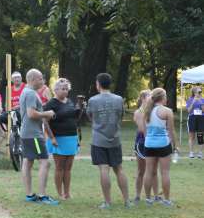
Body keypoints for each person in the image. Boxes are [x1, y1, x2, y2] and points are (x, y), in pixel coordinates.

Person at [86, 73, 131, 209]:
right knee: (119, 169)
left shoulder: (93, 100)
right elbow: (121, 116)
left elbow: (90, 117)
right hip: (115, 139)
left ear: (98, 84)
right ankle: (127, 201)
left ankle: (107, 202)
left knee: (104, 169)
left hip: (99, 140)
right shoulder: (119, 99)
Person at [20, 69, 58, 205]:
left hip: (27, 133)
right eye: (41, 78)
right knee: (45, 162)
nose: (43, 81)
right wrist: (47, 113)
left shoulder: (27, 92)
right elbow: (31, 114)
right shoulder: (30, 93)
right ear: (33, 79)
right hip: (33, 135)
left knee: (27, 162)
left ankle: (30, 195)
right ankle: (42, 196)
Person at [43, 78, 82, 200]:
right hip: (58, 138)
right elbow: (45, 122)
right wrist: (52, 138)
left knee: (68, 168)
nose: (65, 91)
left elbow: (75, 118)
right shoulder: (51, 104)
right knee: (59, 167)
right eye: (62, 89)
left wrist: (80, 108)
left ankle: (67, 193)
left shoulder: (69, 101)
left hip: (71, 137)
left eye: (67, 89)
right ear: (55, 90)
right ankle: (60, 193)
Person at [143, 88, 177, 206]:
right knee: (165, 172)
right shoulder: (167, 111)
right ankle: (167, 200)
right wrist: (175, 145)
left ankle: (148, 199)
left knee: (148, 172)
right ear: (162, 98)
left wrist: (150, 140)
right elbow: (171, 131)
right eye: (166, 96)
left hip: (149, 144)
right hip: (163, 144)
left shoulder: (146, 111)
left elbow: (145, 131)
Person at [133, 90, 160, 203]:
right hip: (142, 143)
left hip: (152, 141)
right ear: (143, 98)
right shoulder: (139, 112)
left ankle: (156, 196)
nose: (152, 98)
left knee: (154, 170)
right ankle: (138, 196)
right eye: (149, 96)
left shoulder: (154, 110)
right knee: (141, 170)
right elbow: (142, 129)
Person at [186, 86, 204, 159]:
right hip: (192, 118)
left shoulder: (202, 99)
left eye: (200, 92)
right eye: (198, 92)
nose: (199, 93)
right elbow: (189, 111)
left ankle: (200, 153)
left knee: (200, 136)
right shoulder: (190, 99)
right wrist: (193, 102)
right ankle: (191, 152)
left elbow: (203, 110)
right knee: (191, 136)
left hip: (201, 118)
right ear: (194, 92)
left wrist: (200, 102)